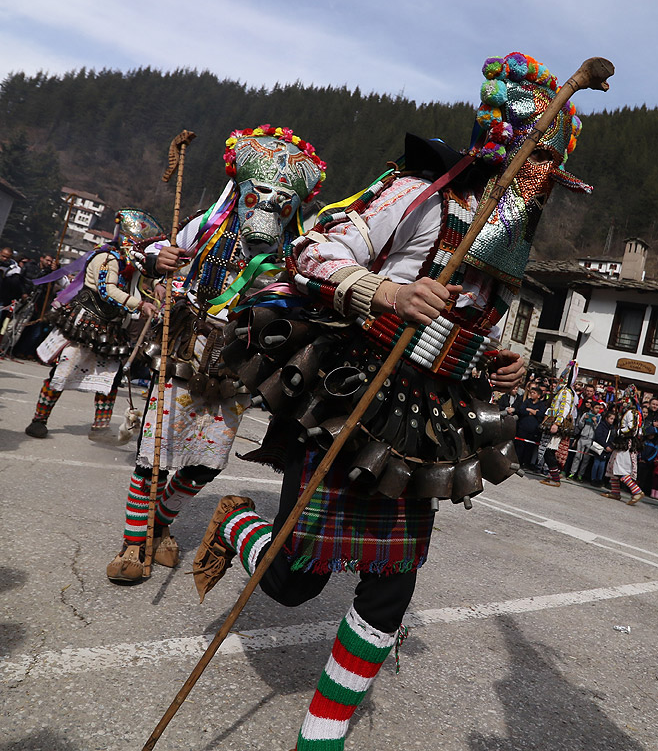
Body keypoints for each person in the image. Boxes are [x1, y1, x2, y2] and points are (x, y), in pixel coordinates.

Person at [191, 52, 592, 750]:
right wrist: (388, 292)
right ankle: (236, 524)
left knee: (391, 581)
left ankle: (321, 737)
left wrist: (502, 358)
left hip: (426, 419)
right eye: (536, 164)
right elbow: (313, 251)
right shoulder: (423, 192)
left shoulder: (511, 239)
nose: (541, 183)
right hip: (353, 391)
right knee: (293, 582)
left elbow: (473, 321)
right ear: (503, 145)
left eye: (549, 173)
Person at [105, 124, 327, 582]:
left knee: (207, 460)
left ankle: (160, 526)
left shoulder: (300, 250)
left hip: (243, 364)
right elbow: (158, 252)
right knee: (155, 451)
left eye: (281, 200)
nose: (268, 206)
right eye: (259, 194)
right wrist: (157, 259)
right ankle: (133, 542)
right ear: (242, 190)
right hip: (188, 348)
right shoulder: (208, 226)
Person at [23, 211, 161, 440]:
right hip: (86, 322)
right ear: (130, 240)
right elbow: (108, 290)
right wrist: (140, 304)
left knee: (109, 377)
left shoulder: (129, 261)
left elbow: (148, 272)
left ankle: (100, 428)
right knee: (62, 371)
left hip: (111, 326)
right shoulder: (107, 258)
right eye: (143, 244)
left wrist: (158, 283)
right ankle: (39, 420)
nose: (145, 250)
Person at [601, 385, 644, 504]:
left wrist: (619, 431)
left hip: (625, 444)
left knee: (621, 469)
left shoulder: (632, 413)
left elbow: (632, 429)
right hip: (621, 443)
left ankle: (637, 491)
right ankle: (615, 492)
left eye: (625, 400)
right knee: (613, 467)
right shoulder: (627, 412)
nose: (623, 402)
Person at [539, 361, 578, 487]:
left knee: (549, 451)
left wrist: (557, 423)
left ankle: (555, 479)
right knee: (548, 451)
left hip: (558, 424)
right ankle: (553, 476)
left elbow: (564, 409)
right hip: (554, 421)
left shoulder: (566, 392)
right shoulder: (561, 391)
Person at [568, 400, 602, 481]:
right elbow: (580, 425)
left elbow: (598, 430)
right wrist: (583, 420)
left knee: (586, 459)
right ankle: (572, 473)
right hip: (582, 437)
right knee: (577, 456)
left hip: (590, 440)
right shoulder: (585, 414)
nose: (598, 410)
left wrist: (595, 422)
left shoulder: (599, 417)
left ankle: (580, 475)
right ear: (592, 408)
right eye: (596, 408)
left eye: (599, 408)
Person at [514, 385, 545, 469]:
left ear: (538, 396)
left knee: (529, 448)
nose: (532, 394)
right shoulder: (527, 402)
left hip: (533, 430)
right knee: (519, 446)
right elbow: (521, 411)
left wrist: (530, 410)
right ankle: (517, 461)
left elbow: (541, 414)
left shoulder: (541, 405)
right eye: (531, 392)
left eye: (534, 393)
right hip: (523, 428)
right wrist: (532, 412)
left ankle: (525, 463)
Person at [590, 410, 616, 486]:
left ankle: (599, 479)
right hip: (599, 448)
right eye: (611, 418)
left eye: (613, 419)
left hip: (606, 450)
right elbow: (599, 437)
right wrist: (605, 445)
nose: (612, 420)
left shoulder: (612, 429)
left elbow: (612, 438)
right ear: (606, 418)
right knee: (596, 463)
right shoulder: (601, 426)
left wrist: (610, 446)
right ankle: (593, 478)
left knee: (602, 465)